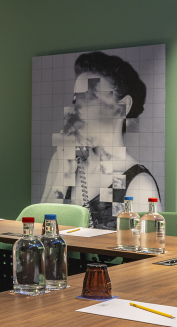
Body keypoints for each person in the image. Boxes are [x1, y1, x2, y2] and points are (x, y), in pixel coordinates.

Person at [40, 51, 160, 229]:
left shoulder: (137, 182)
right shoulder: (62, 163)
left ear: (123, 107)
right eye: (76, 100)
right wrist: (63, 172)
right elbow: (36, 235)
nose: (78, 109)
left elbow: (145, 252)